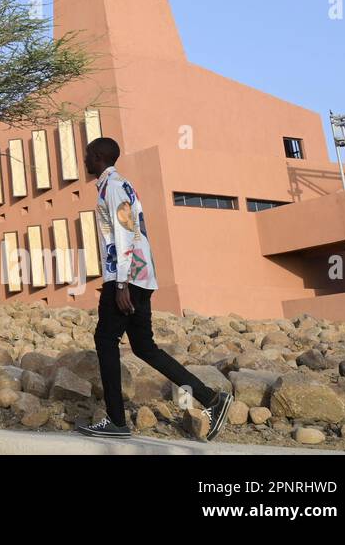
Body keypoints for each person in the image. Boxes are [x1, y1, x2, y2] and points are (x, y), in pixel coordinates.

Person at [77, 137, 233, 440]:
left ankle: (116, 421)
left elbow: (123, 232)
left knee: (105, 339)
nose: (83, 161)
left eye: (86, 156)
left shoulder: (113, 186)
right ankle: (211, 399)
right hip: (140, 277)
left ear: (97, 157)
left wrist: (121, 282)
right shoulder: (122, 186)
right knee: (145, 348)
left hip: (127, 279)